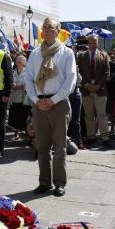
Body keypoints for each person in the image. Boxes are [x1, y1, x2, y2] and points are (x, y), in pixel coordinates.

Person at [24, 18, 76, 197]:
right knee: (42, 146)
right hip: (39, 103)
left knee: (60, 146)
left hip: (58, 104)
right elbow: (28, 78)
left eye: (50, 28)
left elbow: (71, 79)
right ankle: (44, 182)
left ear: (57, 30)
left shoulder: (66, 53)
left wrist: (54, 100)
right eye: (44, 28)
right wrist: (35, 99)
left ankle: (60, 182)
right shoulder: (36, 53)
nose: (46, 31)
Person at [78, 35, 112, 148]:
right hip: (86, 90)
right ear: (88, 44)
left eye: (94, 43)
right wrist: (87, 85)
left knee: (102, 114)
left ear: (98, 43)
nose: (92, 45)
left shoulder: (104, 56)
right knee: (88, 115)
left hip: (100, 90)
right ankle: (91, 135)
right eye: (90, 43)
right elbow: (78, 72)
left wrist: (97, 86)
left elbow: (107, 72)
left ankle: (105, 137)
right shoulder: (81, 56)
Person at [8, 55, 31, 141]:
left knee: (25, 117)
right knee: (14, 117)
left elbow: (29, 84)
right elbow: (9, 81)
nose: (19, 61)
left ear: (25, 63)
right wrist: (12, 85)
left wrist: (21, 86)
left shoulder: (28, 73)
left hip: (24, 99)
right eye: (18, 60)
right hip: (14, 98)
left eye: (22, 60)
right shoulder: (13, 72)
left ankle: (27, 135)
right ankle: (15, 134)